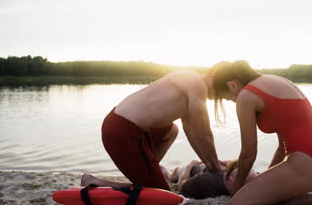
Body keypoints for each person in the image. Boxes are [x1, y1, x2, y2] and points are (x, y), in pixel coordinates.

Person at [208, 60, 312, 205]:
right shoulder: (274, 81)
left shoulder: (246, 96)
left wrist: (237, 190)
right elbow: (282, 146)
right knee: (265, 197)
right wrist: (266, 177)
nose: (232, 101)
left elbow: (248, 153)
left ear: (232, 85)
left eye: (227, 99)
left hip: (307, 161)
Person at [82, 69, 223, 191]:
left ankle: (151, 171)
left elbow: (192, 133)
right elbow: (204, 134)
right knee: (159, 191)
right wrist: (216, 168)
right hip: (123, 131)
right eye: (224, 95)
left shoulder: (191, 83)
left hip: (125, 126)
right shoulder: (197, 84)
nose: (222, 98)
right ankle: (96, 182)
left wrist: (210, 164)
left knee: (171, 130)